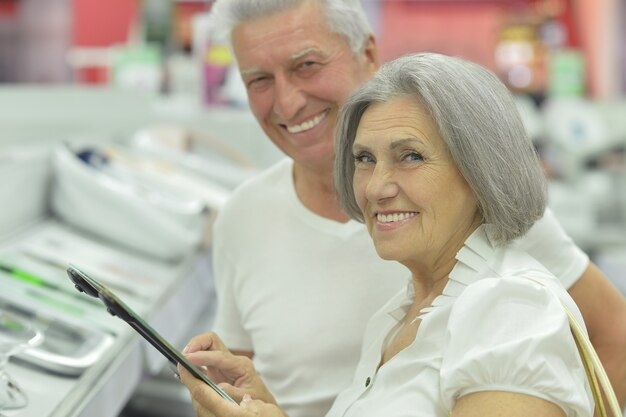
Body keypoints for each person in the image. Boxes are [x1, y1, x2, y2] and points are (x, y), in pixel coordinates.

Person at [201, 1, 626, 416]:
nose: (288, 102)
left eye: (411, 156)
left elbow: (614, 339)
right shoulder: (397, 318)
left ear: (478, 174)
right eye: (364, 159)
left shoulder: (510, 306)